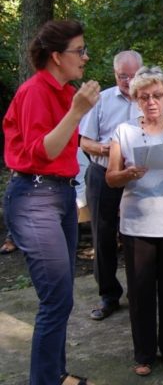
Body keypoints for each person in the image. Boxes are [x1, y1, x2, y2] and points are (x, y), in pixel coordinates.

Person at [3, 20, 100, 385]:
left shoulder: (64, 92)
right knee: (56, 299)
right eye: (79, 50)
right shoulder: (34, 92)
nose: (85, 57)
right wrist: (77, 111)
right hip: (33, 198)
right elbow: (43, 151)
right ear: (56, 56)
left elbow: (66, 152)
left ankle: (54, 375)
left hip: (58, 195)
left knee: (61, 297)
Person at [105, 66, 163, 376]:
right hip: (137, 223)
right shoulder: (124, 131)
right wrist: (127, 174)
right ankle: (143, 354)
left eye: (157, 95)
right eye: (143, 97)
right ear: (136, 101)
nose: (151, 102)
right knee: (141, 291)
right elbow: (111, 178)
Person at [80, 50, 143, 320]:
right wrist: (107, 149)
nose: (128, 81)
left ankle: (139, 291)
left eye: (133, 75)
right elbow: (83, 141)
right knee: (103, 235)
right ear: (114, 74)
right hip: (102, 171)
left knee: (139, 237)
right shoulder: (102, 100)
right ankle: (108, 295)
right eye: (122, 76)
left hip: (137, 176)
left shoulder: (150, 98)